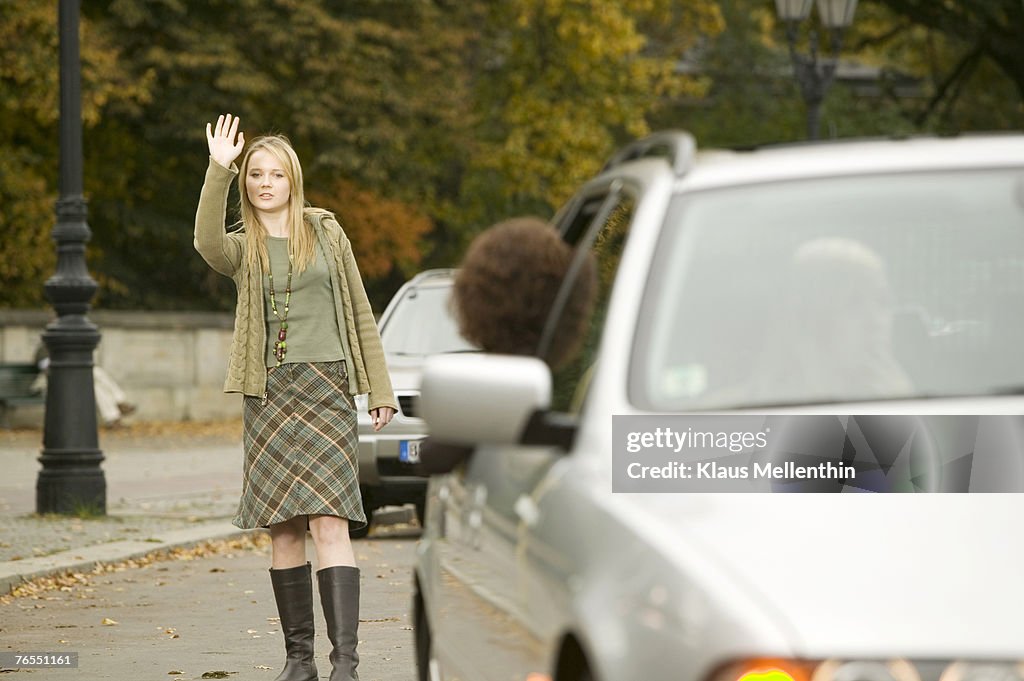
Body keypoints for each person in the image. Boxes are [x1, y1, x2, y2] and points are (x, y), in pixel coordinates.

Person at [194, 113, 397, 681]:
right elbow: (205, 241)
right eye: (255, 174)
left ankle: (346, 665)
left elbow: (359, 310)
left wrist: (377, 388)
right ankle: (299, 661)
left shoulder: (327, 233)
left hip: (326, 388)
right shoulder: (243, 248)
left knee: (330, 523)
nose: (264, 183)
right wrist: (217, 168)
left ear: (292, 181)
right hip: (271, 395)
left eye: (275, 174)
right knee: (284, 526)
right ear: (247, 184)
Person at [417, 217, 596, 475]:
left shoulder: (499, 395)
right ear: (576, 305)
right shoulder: (600, 379)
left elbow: (432, 459)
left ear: (476, 300)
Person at [32, 344, 136, 427]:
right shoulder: (43, 351)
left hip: (76, 380)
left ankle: (112, 418)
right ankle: (120, 401)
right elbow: (48, 370)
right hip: (60, 384)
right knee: (96, 372)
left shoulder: (68, 346)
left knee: (96, 387)